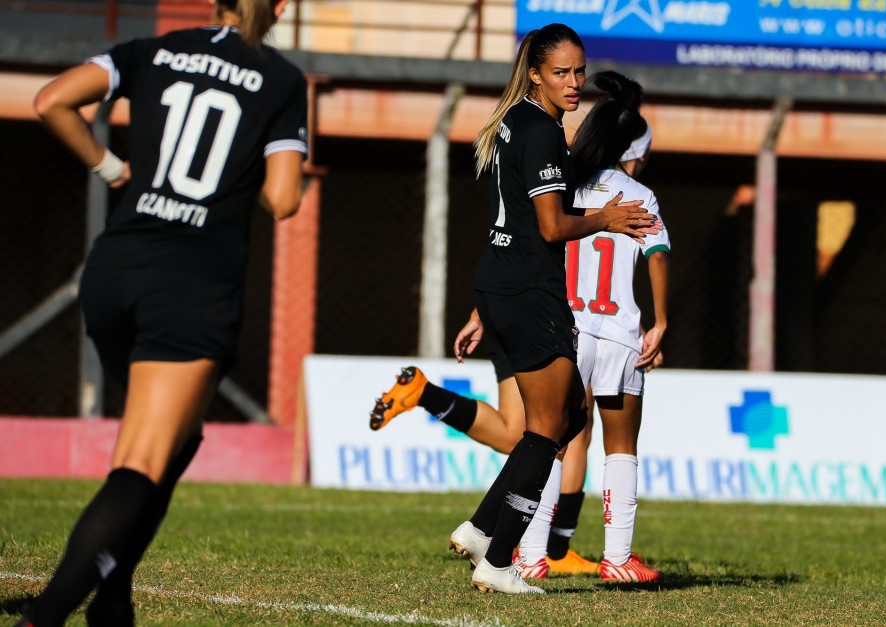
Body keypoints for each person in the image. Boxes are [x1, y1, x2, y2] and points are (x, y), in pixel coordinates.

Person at [20, 1, 307, 625]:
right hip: (192, 280)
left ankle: (114, 599)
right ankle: (44, 617)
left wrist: (112, 168)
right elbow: (284, 199)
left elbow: (50, 101)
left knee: (180, 437)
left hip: (115, 269)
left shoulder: (151, 49)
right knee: (146, 460)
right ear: (282, 5)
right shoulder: (280, 78)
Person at [444, 23, 660, 594]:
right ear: (536, 73)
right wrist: (605, 220)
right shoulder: (540, 131)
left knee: (554, 421)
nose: (574, 82)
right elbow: (549, 226)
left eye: (579, 71)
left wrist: (482, 309)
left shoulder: (511, 122)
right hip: (529, 290)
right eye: (561, 72)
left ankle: (480, 528)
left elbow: (509, 221)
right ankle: (498, 560)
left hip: (498, 285)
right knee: (552, 426)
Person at [369, 310, 601, 576]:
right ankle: (554, 550)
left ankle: (425, 393)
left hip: (506, 311)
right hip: (555, 318)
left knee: (517, 433)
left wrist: (479, 313)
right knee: (569, 425)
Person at [565, 70, 670, 582]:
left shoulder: (563, 189)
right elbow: (657, 254)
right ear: (630, 143)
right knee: (621, 446)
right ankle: (617, 557)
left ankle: (532, 553)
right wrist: (662, 320)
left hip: (566, 328)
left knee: (554, 439)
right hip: (618, 330)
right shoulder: (638, 195)